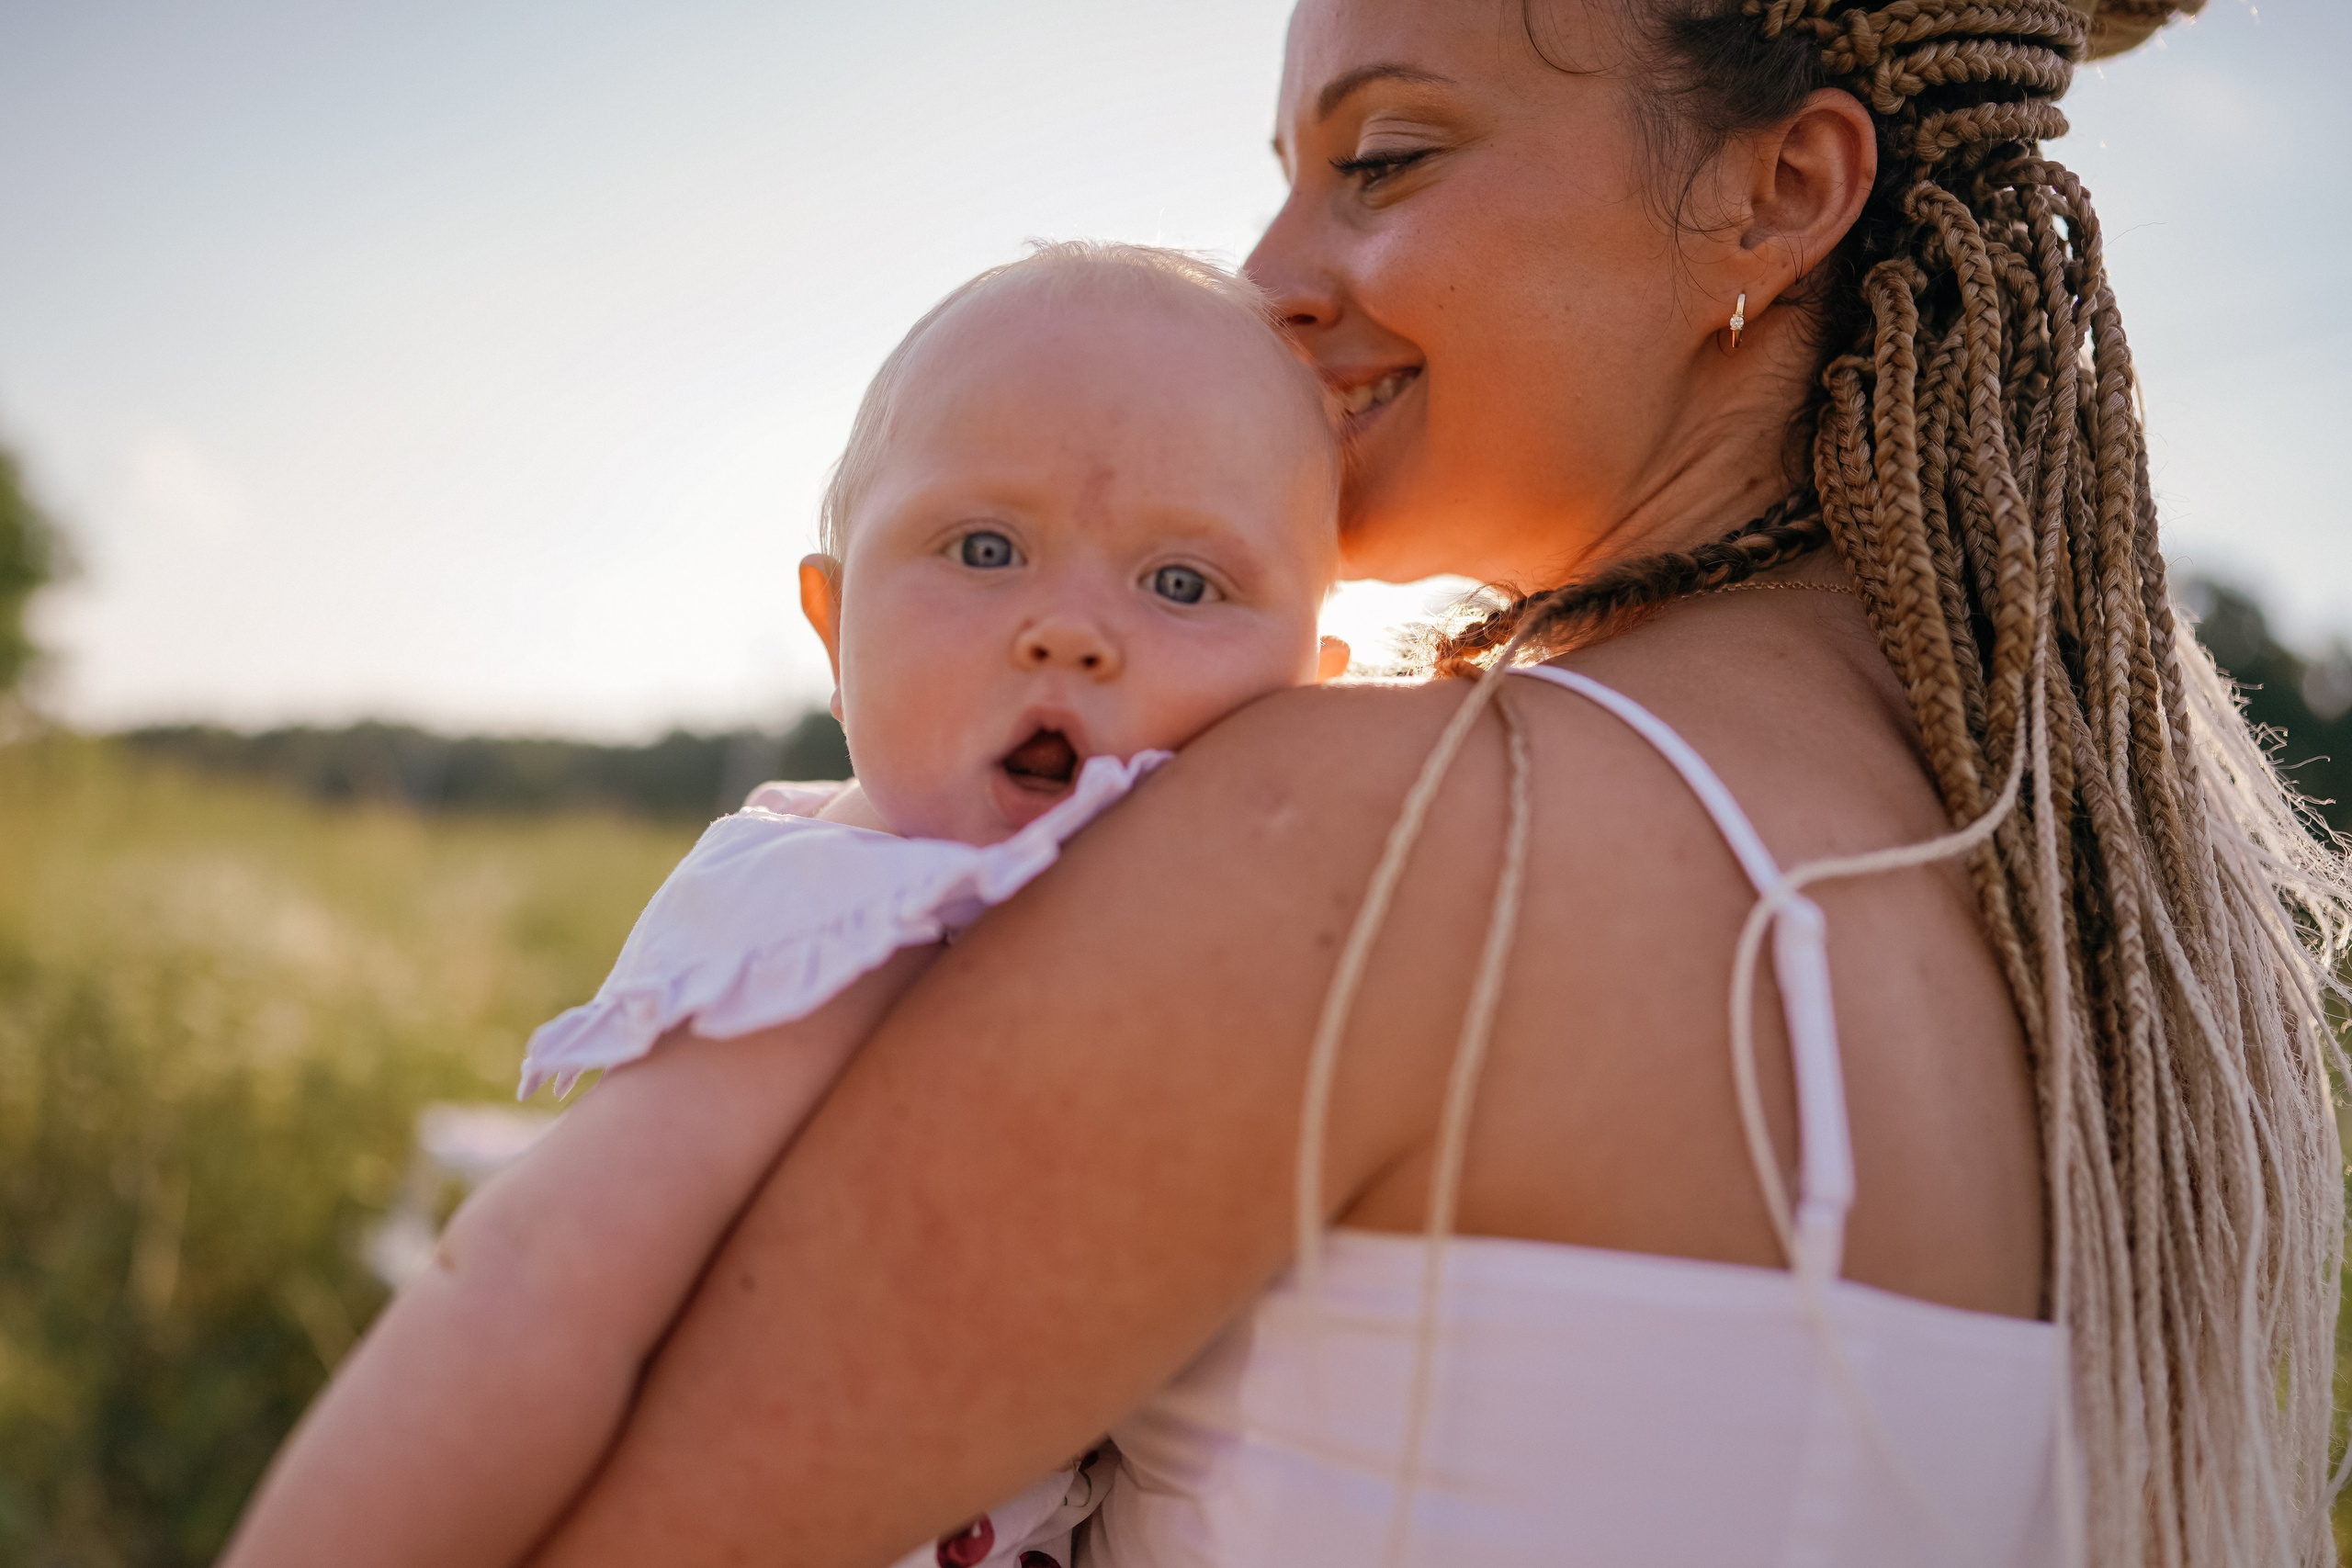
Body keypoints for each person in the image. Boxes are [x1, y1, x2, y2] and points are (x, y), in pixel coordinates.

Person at [530, 1, 2346, 1563]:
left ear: (1776, 192)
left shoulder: (1351, 828)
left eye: (1381, 158)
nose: (1264, 278)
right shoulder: (2129, 949)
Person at [215, 243, 1350, 1568]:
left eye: (1183, 584)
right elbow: (533, 1285)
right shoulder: (855, 913)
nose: (1071, 632)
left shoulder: (1247, 924)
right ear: (834, 625)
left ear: (1312, 696)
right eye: (984, 548)